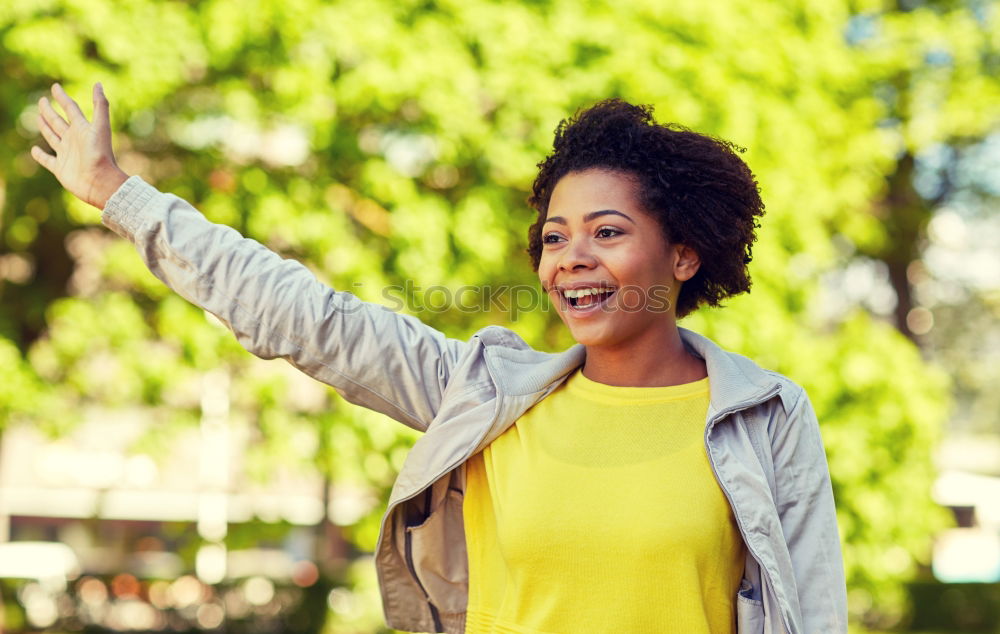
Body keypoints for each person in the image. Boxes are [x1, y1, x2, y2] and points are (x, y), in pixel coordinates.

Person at [31, 83, 847, 634]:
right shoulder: (487, 399)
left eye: (608, 232)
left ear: (683, 256)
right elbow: (306, 317)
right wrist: (119, 195)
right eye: (555, 238)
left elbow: (810, 610)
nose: (571, 259)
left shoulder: (765, 415)